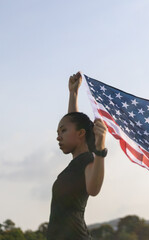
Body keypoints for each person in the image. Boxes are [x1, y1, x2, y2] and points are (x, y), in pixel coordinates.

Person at [47, 72, 108, 240]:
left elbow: (94, 189)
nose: (59, 137)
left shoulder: (89, 162)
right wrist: (73, 93)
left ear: (81, 134)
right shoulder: (77, 163)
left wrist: (100, 150)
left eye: (63, 131)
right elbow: (75, 123)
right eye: (58, 132)